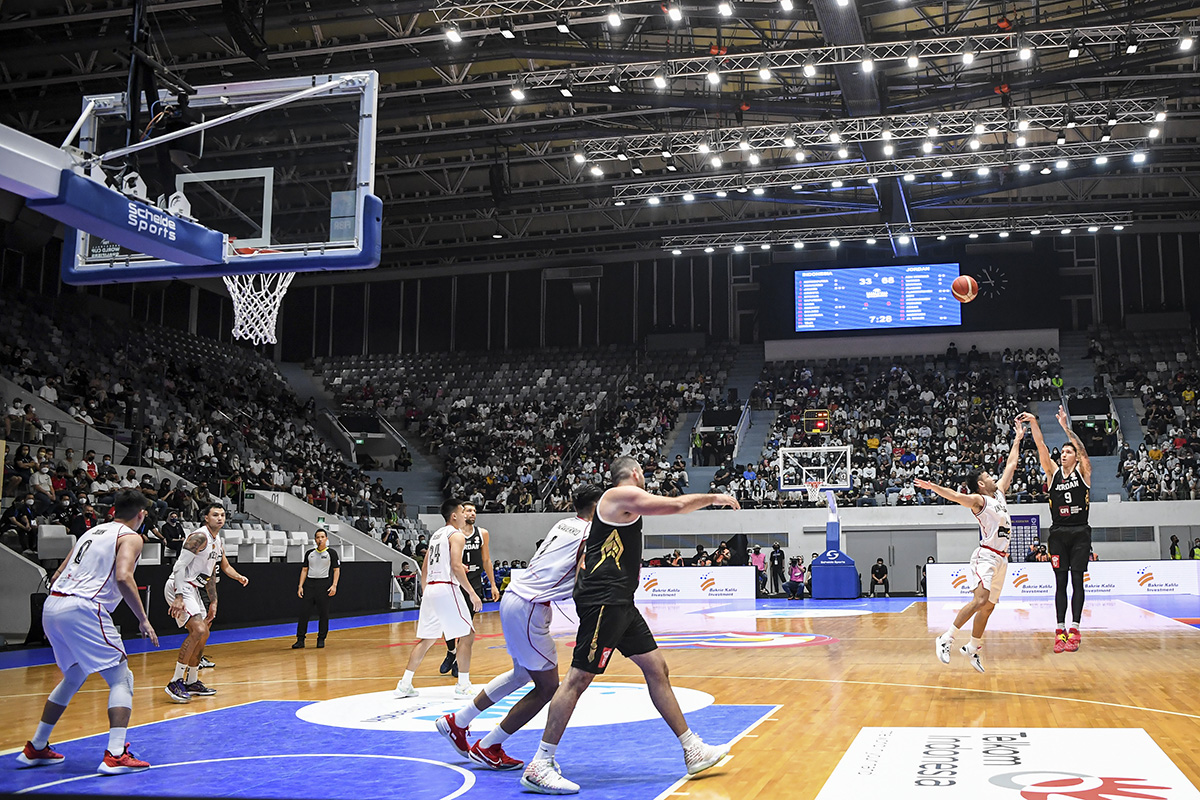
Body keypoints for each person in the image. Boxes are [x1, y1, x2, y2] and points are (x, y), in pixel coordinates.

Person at [520, 456, 739, 794]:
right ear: (635, 473)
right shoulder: (617, 495)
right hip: (604, 601)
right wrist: (714, 497)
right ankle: (541, 764)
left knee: (657, 668)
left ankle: (692, 748)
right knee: (578, 679)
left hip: (621, 602)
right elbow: (677, 505)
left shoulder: (624, 506)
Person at [436, 485, 603, 771]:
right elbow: (582, 579)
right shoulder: (591, 534)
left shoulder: (564, 523)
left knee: (521, 673)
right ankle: (489, 746)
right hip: (530, 606)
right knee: (548, 687)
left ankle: (458, 721)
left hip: (515, 598)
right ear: (597, 506)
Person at [17, 489, 159, 775]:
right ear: (141, 514)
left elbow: (58, 573)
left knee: (74, 675)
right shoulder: (131, 537)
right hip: (83, 607)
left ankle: (37, 746)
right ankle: (116, 754)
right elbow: (123, 576)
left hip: (53, 604)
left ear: (114, 510)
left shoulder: (91, 532)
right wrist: (143, 619)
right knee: (122, 678)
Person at [920, 418, 1025, 673]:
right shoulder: (979, 500)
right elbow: (956, 496)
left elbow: (1011, 464)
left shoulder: (999, 494)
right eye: (988, 476)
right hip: (986, 556)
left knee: (988, 607)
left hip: (1002, 558)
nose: (993, 477)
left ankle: (973, 647)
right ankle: (946, 637)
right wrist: (933, 487)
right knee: (979, 600)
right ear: (980, 483)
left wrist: (1018, 438)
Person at [1020, 407, 1092, 653]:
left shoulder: (1083, 473)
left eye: (1068, 452)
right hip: (1058, 533)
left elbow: (1083, 450)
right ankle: (1060, 630)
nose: (1063, 454)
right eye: (1062, 452)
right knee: (1060, 582)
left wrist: (1065, 428)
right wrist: (1033, 422)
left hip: (1080, 532)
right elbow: (1041, 446)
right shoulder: (1053, 473)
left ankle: (1075, 629)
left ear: (1075, 457)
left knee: (1077, 580)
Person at [394, 498, 482, 698]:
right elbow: (456, 566)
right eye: (462, 511)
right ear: (454, 515)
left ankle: (404, 684)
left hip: (432, 589)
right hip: (446, 587)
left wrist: (426, 590)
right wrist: (472, 593)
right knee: (467, 634)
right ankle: (463, 685)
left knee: (427, 639)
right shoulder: (457, 535)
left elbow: (425, 566)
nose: (465, 515)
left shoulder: (436, 535)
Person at [163, 503, 249, 703]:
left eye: (223, 515)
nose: (220, 518)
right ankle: (175, 681)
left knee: (204, 633)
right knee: (199, 630)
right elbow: (179, 566)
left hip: (193, 589)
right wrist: (179, 596)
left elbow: (216, 571)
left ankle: (192, 681)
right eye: (215, 515)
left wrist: (215, 600)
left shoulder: (217, 541)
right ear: (206, 518)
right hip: (179, 585)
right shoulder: (199, 537)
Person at [440, 501, 496, 679]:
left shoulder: (482, 533)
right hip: (453, 582)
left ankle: (458, 659)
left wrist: (493, 584)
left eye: (474, 511)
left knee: (466, 624)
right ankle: (451, 651)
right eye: (469, 510)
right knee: (448, 623)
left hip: (474, 582)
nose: (473, 513)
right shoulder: (452, 534)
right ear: (460, 513)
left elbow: (486, 560)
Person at [293, 529, 341, 649]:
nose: (320, 539)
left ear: (326, 539)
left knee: (323, 613)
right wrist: (300, 586)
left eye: (322, 537)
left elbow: (336, 570)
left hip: (323, 584)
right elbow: (304, 569)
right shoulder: (310, 553)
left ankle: (321, 638)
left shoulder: (331, 553)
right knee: (304, 613)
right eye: (318, 537)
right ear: (315, 539)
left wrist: (334, 585)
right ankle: (300, 639)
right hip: (310, 584)